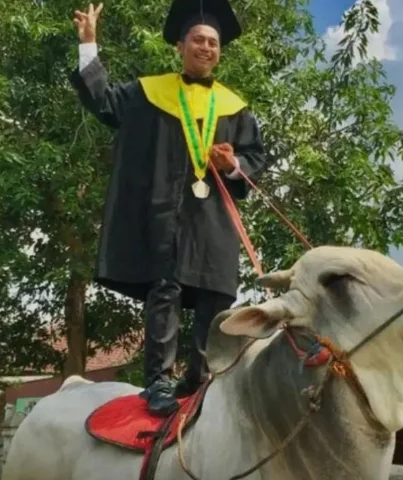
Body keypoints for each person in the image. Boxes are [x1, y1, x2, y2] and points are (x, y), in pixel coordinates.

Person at [69, 0, 269, 417]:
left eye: (213, 42)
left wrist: (232, 163)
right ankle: (158, 383)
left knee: (217, 295)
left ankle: (198, 377)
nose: (207, 47)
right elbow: (104, 101)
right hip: (166, 214)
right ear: (180, 45)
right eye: (198, 39)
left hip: (213, 216)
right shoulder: (149, 92)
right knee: (167, 291)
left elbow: (256, 158)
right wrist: (89, 45)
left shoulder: (235, 106)